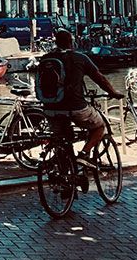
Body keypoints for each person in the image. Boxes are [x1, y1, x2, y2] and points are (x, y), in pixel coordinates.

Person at [40, 29, 123, 165]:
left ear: (56, 42)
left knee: (62, 137)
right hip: (75, 107)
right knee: (99, 126)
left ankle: (64, 167)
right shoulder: (80, 58)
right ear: (71, 42)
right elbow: (99, 78)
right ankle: (84, 155)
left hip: (49, 108)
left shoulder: (46, 59)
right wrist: (113, 92)